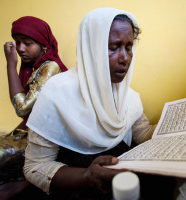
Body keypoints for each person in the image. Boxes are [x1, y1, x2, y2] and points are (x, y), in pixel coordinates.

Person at [23, 8, 158, 199]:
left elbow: (143, 134)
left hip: (120, 180)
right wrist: (87, 176)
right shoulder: (57, 93)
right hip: (76, 184)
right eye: (113, 47)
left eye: (128, 48)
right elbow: (35, 166)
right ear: (91, 48)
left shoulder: (127, 96)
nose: (125, 58)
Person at [0, 16, 67, 200]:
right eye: (17, 42)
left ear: (44, 45)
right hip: (31, 134)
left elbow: (22, 109)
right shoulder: (34, 66)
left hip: (47, 144)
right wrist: (10, 136)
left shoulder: (50, 66)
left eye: (27, 43)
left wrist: (10, 64)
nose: (20, 49)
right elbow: (30, 116)